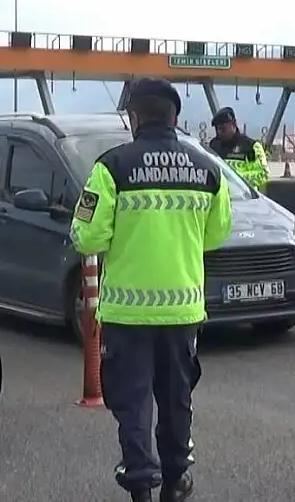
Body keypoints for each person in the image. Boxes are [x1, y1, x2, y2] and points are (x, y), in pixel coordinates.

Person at [70, 78, 233, 502]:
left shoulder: (112, 167)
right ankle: (177, 478)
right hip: (183, 310)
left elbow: (87, 238)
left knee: (133, 401)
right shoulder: (207, 168)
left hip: (127, 312)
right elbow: (217, 235)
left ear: (134, 117)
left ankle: (141, 480)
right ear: (176, 117)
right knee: (177, 397)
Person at [208, 107, 269, 191]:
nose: (219, 132)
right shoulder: (214, 145)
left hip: (245, 198)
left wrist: (234, 179)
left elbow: (263, 174)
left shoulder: (252, 147)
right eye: (217, 129)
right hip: (222, 198)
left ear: (234, 124)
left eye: (223, 129)